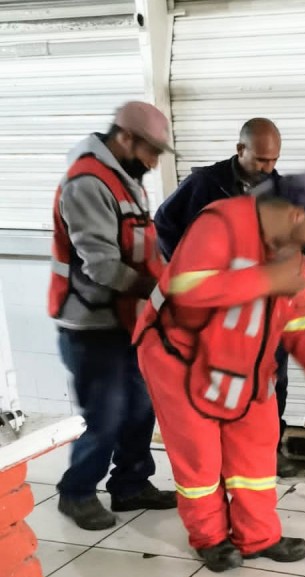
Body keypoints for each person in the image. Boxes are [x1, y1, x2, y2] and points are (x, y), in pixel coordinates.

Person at [133, 172, 305, 573]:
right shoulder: (221, 223)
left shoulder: (292, 254)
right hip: (178, 357)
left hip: (246, 363)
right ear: (296, 213)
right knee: (199, 458)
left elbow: (299, 322)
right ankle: (211, 539)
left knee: (255, 451)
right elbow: (187, 288)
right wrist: (266, 279)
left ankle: (258, 536)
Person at [48, 101, 178, 530]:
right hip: (91, 325)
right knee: (105, 414)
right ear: (126, 138)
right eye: (151, 151)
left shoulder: (125, 180)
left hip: (127, 320)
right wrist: (161, 290)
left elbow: (140, 246)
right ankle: (77, 491)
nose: (154, 161)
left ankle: (131, 484)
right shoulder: (87, 183)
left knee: (141, 407)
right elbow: (101, 265)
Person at [154, 118, 301, 477]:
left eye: (274, 160)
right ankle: (220, 458)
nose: (268, 168)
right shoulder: (207, 184)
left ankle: (269, 450)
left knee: (271, 379)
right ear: (240, 150)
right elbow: (163, 223)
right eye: (261, 160)